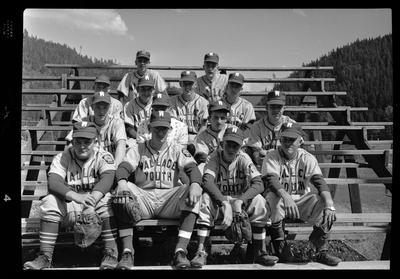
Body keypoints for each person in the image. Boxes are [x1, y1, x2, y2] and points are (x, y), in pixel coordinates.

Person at [112, 110, 203, 270]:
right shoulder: (138, 149)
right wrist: (122, 182)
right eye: (156, 128)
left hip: (169, 200)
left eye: (164, 129)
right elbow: (123, 168)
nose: (160, 132)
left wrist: (195, 184)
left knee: (192, 189)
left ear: (169, 129)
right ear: (149, 128)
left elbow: (193, 169)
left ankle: (180, 251)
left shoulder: (177, 149)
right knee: (123, 193)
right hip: (144, 199)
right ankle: (127, 252)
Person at [23, 121, 120, 270]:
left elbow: (108, 179)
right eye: (78, 141)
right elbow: (54, 183)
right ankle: (45, 257)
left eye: (87, 141)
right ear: (72, 140)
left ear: (96, 141)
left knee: (108, 201)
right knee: (49, 201)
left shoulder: (104, 156)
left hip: (95, 206)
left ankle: (111, 254)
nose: (82, 146)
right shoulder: (62, 157)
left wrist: (90, 202)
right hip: (71, 205)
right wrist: (78, 197)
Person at [192, 126, 279, 268]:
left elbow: (258, 184)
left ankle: (260, 252)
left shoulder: (244, 158)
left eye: (235, 146)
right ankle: (201, 251)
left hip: (240, 202)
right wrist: (224, 203)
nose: (231, 149)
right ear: (222, 144)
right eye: (228, 144)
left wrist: (240, 201)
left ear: (240, 147)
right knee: (206, 199)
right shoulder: (213, 157)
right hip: (219, 201)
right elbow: (207, 182)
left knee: (259, 201)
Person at [261, 122, 341, 266]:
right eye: (284, 139)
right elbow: (271, 181)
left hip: (301, 201)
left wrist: (330, 204)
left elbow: (319, 181)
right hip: (280, 202)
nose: (288, 143)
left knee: (323, 201)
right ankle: (279, 243)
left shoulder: (307, 157)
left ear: (301, 141)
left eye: (292, 139)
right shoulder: (272, 156)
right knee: (273, 197)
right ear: (279, 140)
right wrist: (286, 196)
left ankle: (321, 250)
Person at [66, 91, 127, 168]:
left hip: (113, 164)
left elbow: (121, 144)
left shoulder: (117, 122)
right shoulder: (85, 122)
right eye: (98, 107)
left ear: (110, 107)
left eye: (105, 107)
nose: (101, 111)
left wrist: (114, 168)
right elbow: (71, 143)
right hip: (90, 166)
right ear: (92, 107)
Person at [246, 91, 296, 171]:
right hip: (265, 170)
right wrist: (258, 157)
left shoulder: (292, 125)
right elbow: (255, 151)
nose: (276, 110)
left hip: (287, 169)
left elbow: (298, 149)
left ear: (284, 108)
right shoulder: (257, 127)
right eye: (272, 106)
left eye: (279, 107)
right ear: (266, 107)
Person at [170, 70, 209, 154]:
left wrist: (195, 142)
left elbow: (204, 126)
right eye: (185, 83)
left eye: (190, 83)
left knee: (202, 155)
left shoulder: (203, 102)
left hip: (197, 137)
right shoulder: (173, 101)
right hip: (177, 138)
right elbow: (173, 126)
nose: (187, 86)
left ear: (195, 84)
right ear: (180, 84)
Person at [192, 100, 233, 172]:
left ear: (226, 119)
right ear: (209, 119)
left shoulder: (232, 130)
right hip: (211, 166)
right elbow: (202, 157)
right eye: (215, 117)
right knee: (201, 167)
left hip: (231, 165)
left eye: (222, 118)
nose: (219, 121)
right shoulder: (203, 135)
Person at [220, 72, 256, 138]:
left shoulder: (247, 106)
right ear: (227, 86)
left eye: (237, 87)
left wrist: (237, 139)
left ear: (241, 89)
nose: (233, 89)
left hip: (240, 140)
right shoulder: (219, 104)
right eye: (232, 86)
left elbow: (249, 129)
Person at [123, 75, 155, 141]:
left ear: (153, 90)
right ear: (137, 90)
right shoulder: (129, 105)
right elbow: (129, 128)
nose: (146, 92)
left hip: (155, 139)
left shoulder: (158, 104)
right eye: (143, 89)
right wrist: (141, 139)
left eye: (149, 89)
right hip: (136, 139)